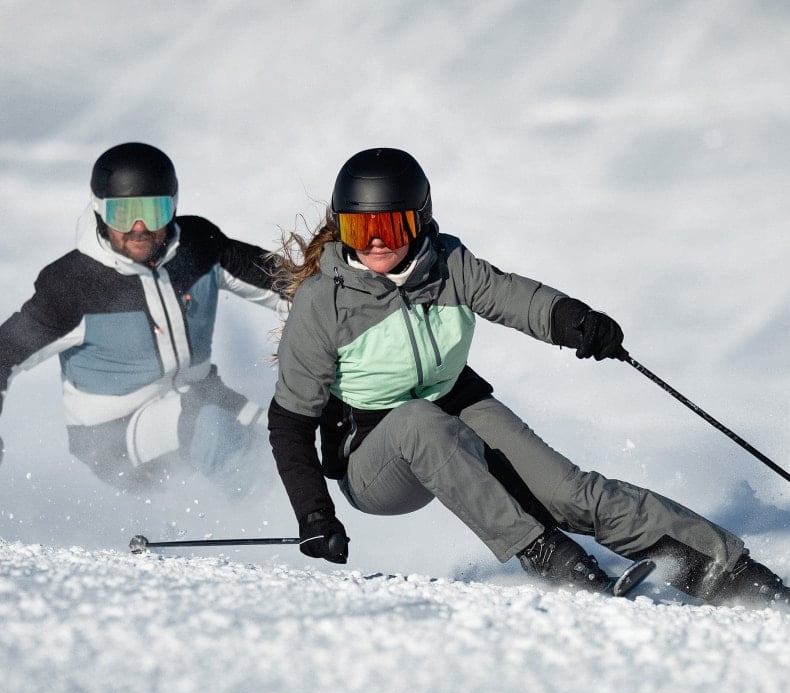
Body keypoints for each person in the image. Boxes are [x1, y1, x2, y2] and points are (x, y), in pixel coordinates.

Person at [267, 146, 790, 610]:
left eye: (393, 227)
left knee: (573, 492)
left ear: (420, 221)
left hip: (455, 408)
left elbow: (514, 297)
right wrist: (316, 515)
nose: (377, 244)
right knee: (417, 421)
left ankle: (733, 576)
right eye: (361, 230)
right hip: (375, 460)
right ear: (342, 229)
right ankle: (549, 556)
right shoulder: (323, 303)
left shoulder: (449, 263)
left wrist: (574, 320)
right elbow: (289, 424)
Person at [0, 142, 288, 498]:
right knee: (212, 428)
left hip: (200, 397)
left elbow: (291, 285)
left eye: (155, 211)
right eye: (122, 215)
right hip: (112, 436)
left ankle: (327, 522)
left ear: (174, 205)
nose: (139, 228)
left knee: (285, 439)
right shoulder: (73, 284)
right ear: (99, 210)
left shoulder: (199, 248)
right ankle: (269, 522)